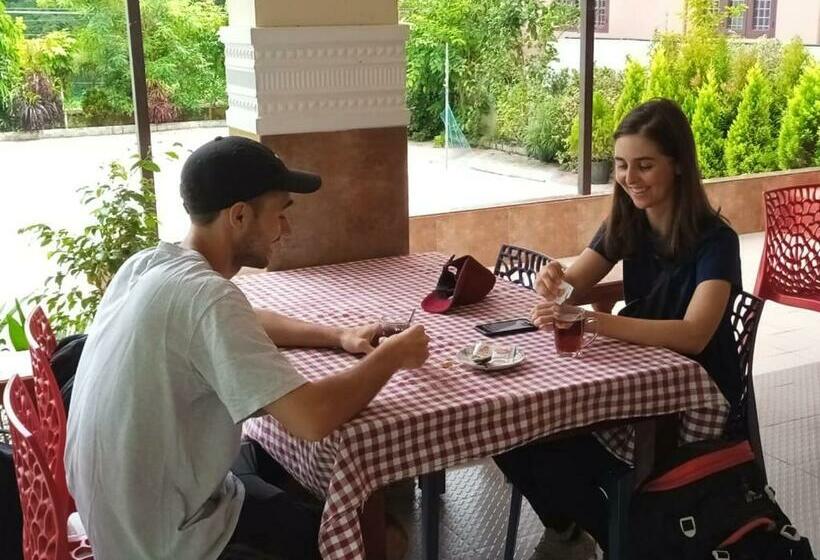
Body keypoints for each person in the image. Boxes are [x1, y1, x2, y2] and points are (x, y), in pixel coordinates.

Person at [65, 136, 430, 560]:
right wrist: (393, 356)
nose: (286, 230)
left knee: (287, 476)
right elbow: (312, 419)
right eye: (280, 214)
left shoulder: (150, 264)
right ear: (239, 215)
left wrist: (338, 336)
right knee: (380, 542)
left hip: (124, 516)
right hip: (170, 542)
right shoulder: (206, 297)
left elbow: (247, 319)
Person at [494, 99, 743, 560]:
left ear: (679, 166)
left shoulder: (716, 241)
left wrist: (595, 321)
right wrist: (555, 282)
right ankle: (584, 533)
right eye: (624, 165)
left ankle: (621, 538)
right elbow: (573, 285)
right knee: (507, 430)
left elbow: (695, 334)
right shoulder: (628, 221)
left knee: (549, 446)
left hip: (691, 395)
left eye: (645, 165)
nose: (630, 178)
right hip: (633, 379)